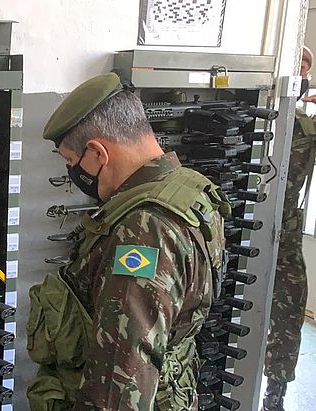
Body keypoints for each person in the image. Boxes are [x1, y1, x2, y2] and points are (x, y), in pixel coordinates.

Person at [26, 73, 229, 411]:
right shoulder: (189, 191)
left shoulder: (143, 230)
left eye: (70, 162)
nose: (73, 173)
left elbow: (121, 383)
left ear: (96, 152)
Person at [263, 46, 316, 411]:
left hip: (286, 234)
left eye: (305, 71)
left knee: (291, 307)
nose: (299, 76)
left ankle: (275, 392)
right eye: (295, 68)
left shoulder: (306, 127)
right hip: (238, 227)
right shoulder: (256, 117)